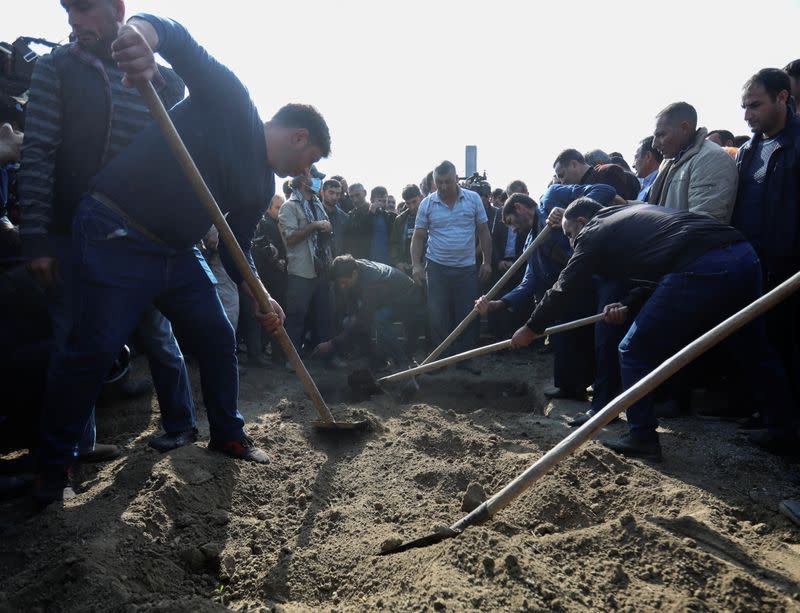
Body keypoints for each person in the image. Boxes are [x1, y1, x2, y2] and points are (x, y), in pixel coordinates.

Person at [33, 13, 329, 504]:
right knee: (94, 348)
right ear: (299, 137)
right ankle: (52, 468)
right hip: (116, 230)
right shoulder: (233, 103)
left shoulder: (260, 185)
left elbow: (237, 246)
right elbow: (182, 42)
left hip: (176, 252)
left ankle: (229, 435)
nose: (307, 170)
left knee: (217, 335)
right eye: (312, 158)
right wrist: (141, 35)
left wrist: (263, 295)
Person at [18, 0, 195, 463]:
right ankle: (77, 446)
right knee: (73, 339)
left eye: (84, 9)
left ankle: (182, 424)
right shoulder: (56, 69)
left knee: (158, 335)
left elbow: (177, 161)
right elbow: (38, 151)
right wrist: (36, 236)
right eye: (68, 11)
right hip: (66, 231)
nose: (74, 21)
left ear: (116, 8)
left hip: (140, 236)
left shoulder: (164, 81)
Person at [511, 199, 798, 461]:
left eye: (570, 234)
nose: (572, 243)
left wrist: (531, 327)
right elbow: (656, 271)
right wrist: (626, 303)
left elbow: (564, 286)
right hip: (743, 256)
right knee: (753, 347)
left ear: (582, 223)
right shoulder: (630, 216)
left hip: (702, 265)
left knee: (632, 348)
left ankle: (643, 437)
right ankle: (783, 428)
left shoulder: (594, 230)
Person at [477, 184, 616, 399]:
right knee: (563, 342)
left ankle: (603, 398)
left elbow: (603, 190)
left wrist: (566, 209)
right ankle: (570, 388)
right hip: (561, 298)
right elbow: (528, 282)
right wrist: (500, 303)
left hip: (592, 285)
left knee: (597, 343)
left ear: (520, 208)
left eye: (511, 223)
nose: (512, 230)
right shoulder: (530, 245)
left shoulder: (551, 199)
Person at [733, 68, 800, 427]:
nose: (747, 116)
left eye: (755, 105)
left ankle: (786, 427)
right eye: (744, 107)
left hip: (790, 267)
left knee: (788, 347)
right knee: (758, 343)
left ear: (782, 98)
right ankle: (768, 414)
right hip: (754, 264)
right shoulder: (748, 151)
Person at [411, 160, 492, 371]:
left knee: (467, 313)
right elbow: (418, 237)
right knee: (437, 314)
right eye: (439, 182)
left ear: (456, 179)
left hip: (466, 268)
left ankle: (465, 359)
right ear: (434, 181)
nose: (444, 186)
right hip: (436, 267)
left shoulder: (473, 199)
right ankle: (440, 359)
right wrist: (416, 265)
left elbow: (483, 231)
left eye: (448, 181)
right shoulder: (427, 204)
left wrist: (487, 261)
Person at [313, 255, 425, 371]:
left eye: (344, 283)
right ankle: (376, 361)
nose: (342, 286)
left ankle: (403, 363)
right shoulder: (352, 268)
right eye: (340, 283)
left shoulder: (372, 283)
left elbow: (364, 318)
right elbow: (354, 310)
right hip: (387, 300)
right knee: (349, 321)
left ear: (355, 274)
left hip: (408, 301)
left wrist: (332, 344)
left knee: (378, 319)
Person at [279, 173, 340, 367]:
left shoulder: (318, 203)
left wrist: (326, 229)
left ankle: (328, 358)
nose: (318, 182)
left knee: (326, 316)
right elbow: (289, 239)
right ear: (304, 181)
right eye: (314, 177)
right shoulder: (289, 206)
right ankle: (292, 360)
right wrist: (313, 226)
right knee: (297, 317)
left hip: (322, 268)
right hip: (301, 271)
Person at [648, 102, 738, 222]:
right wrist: (625, 204)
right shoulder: (669, 161)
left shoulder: (711, 158)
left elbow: (702, 224)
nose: (654, 145)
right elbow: (657, 207)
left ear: (684, 128)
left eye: (661, 135)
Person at [252, 194, 287, 365]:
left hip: (277, 275)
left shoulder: (277, 223)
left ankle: (274, 352)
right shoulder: (263, 224)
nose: (280, 211)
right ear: (268, 207)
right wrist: (275, 259)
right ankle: (260, 352)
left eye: (282, 207)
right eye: (277, 208)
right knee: (265, 314)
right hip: (265, 277)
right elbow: (261, 249)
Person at [553, 149, 640, 200]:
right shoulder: (577, 191)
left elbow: (616, 207)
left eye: (562, 175)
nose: (562, 182)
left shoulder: (607, 172)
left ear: (573, 164)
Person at [344, 184, 396, 264]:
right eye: (351, 197)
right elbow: (356, 237)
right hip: (365, 263)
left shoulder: (387, 216)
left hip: (387, 262)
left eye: (357, 195)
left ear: (364, 193)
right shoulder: (352, 216)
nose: (355, 200)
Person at [390, 183, 424, 274]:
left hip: (427, 266)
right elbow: (394, 243)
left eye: (414, 202)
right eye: (408, 203)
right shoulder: (400, 220)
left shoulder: (430, 215)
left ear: (420, 197)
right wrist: (398, 262)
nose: (412, 207)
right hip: (406, 268)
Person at [320, 178, 348, 257]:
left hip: (339, 263)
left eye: (338, 194)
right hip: (318, 263)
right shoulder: (313, 214)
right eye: (331, 193)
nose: (334, 197)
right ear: (322, 192)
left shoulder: (345, 218)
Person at [632, 136, 663, 201]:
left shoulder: (662, 184)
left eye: (636, 157)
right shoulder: (642, 185)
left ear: (648, 157)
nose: (633, 165)